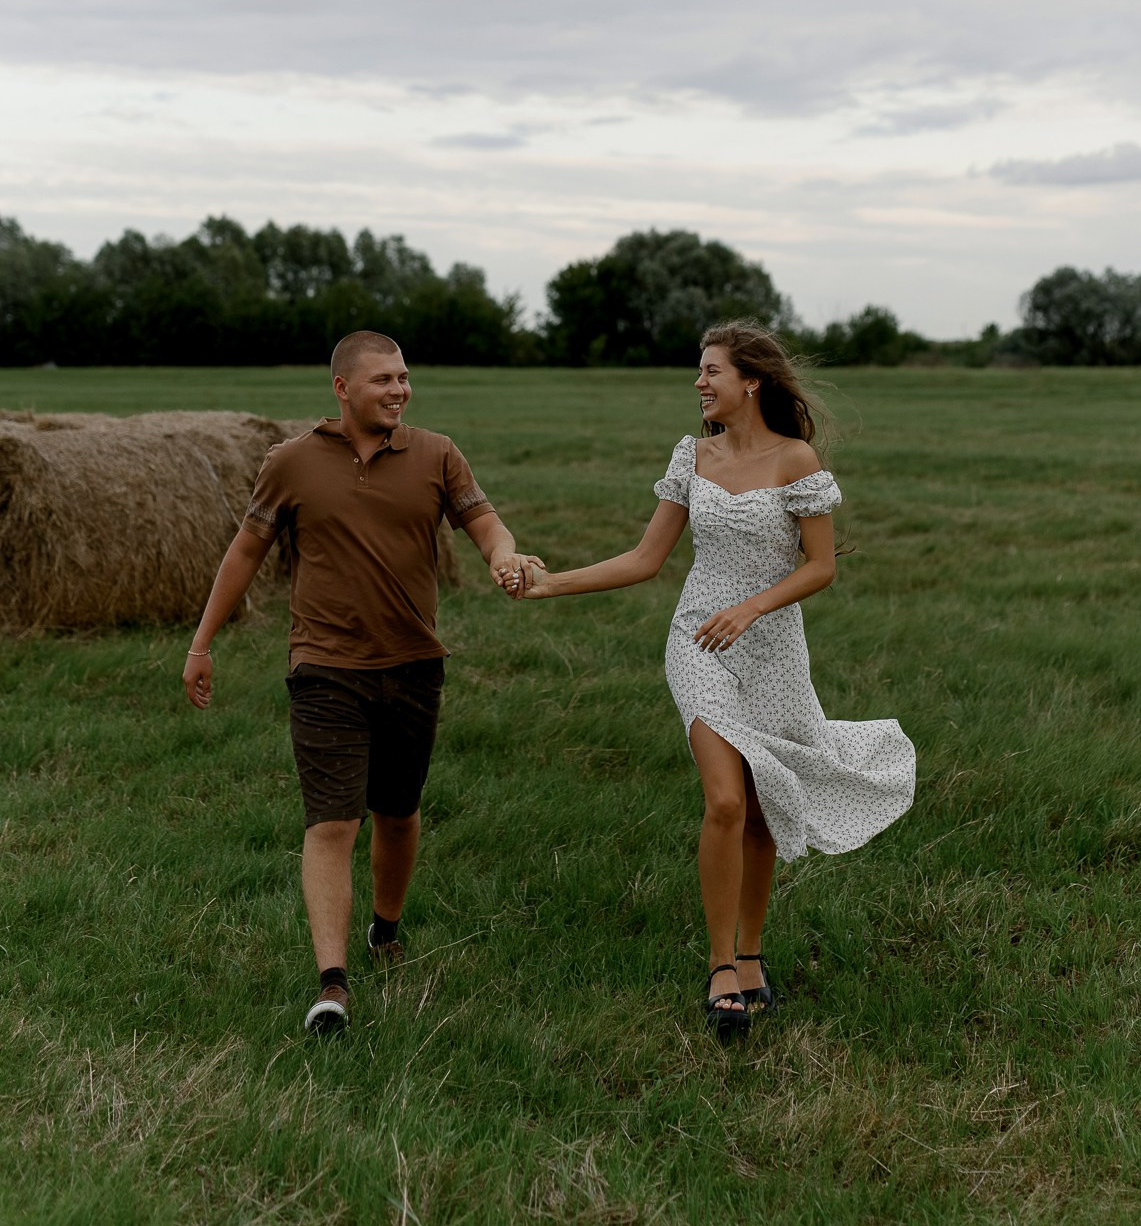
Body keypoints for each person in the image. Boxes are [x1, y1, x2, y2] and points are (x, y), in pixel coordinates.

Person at [517, 321, 915, 1039]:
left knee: (762, 805)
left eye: (711, 372)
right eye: (699, 373)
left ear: (750, 381)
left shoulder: (796, 460)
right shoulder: (690, 456)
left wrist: (754, 607)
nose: (699, 383)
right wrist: (551, 586)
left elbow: (821, 566)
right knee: (726, 801)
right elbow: (645, 559)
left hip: (772, 650)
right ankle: (720, 966)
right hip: (698, 640)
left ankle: (755, 954)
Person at [182, 330, 541, 1036]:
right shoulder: (290, 463)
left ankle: (386, 925)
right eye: (384, 380)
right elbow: (245, 551)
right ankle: (332, 984)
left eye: (404, 378)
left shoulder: (437, 453)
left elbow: (485, 522)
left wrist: (505, 556)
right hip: (324, 668)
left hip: (413, 664)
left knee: (399, 814)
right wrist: (202, 641)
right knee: (334, 822)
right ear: (343, 388)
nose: (400, 390)